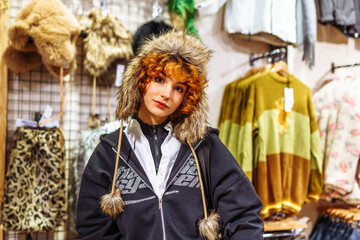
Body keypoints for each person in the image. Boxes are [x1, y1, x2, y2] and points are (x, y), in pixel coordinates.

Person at [76, 30, 264, 240]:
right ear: (141, 80)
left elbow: (245, 215)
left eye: (179, 88)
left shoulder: (204, 145)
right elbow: (93, 230)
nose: (167, 94)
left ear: (187, 96)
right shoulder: (110, 151)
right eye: (159, 79)